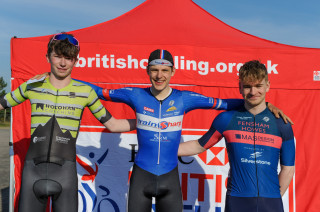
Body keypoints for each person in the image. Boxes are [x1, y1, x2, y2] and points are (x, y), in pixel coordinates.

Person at [67, 50, 292, 212]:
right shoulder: (135, 95)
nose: (159, 75)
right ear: (147, 71)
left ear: (173, 72)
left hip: (170, 179)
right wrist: (61, 80)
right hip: (141, 177)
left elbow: (225, 102)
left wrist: (267, 106)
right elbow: (99, 92)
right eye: (154, 70)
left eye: (164, 70)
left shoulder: (185, 99)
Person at [0, 33, 135, 212]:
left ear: (75, 61)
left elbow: (114, 125)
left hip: (65, 177)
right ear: (47, 57)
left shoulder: (85, 92)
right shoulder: (32, 86)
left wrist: (148, 120)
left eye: (68, 58)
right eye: (58, 56)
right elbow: (2, 104)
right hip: (32, 173)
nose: (63, 63)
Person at [178, 60, 295, 212]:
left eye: (258, 86)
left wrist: (273, 197)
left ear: (268, 85)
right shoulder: (226, 119)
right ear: (240, 87)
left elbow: (288, 169)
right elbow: (198, 145)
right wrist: (157, 148)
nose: (253, 92)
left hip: (271, 203)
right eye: (247, 86)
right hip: (237, 201)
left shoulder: (281, 123)